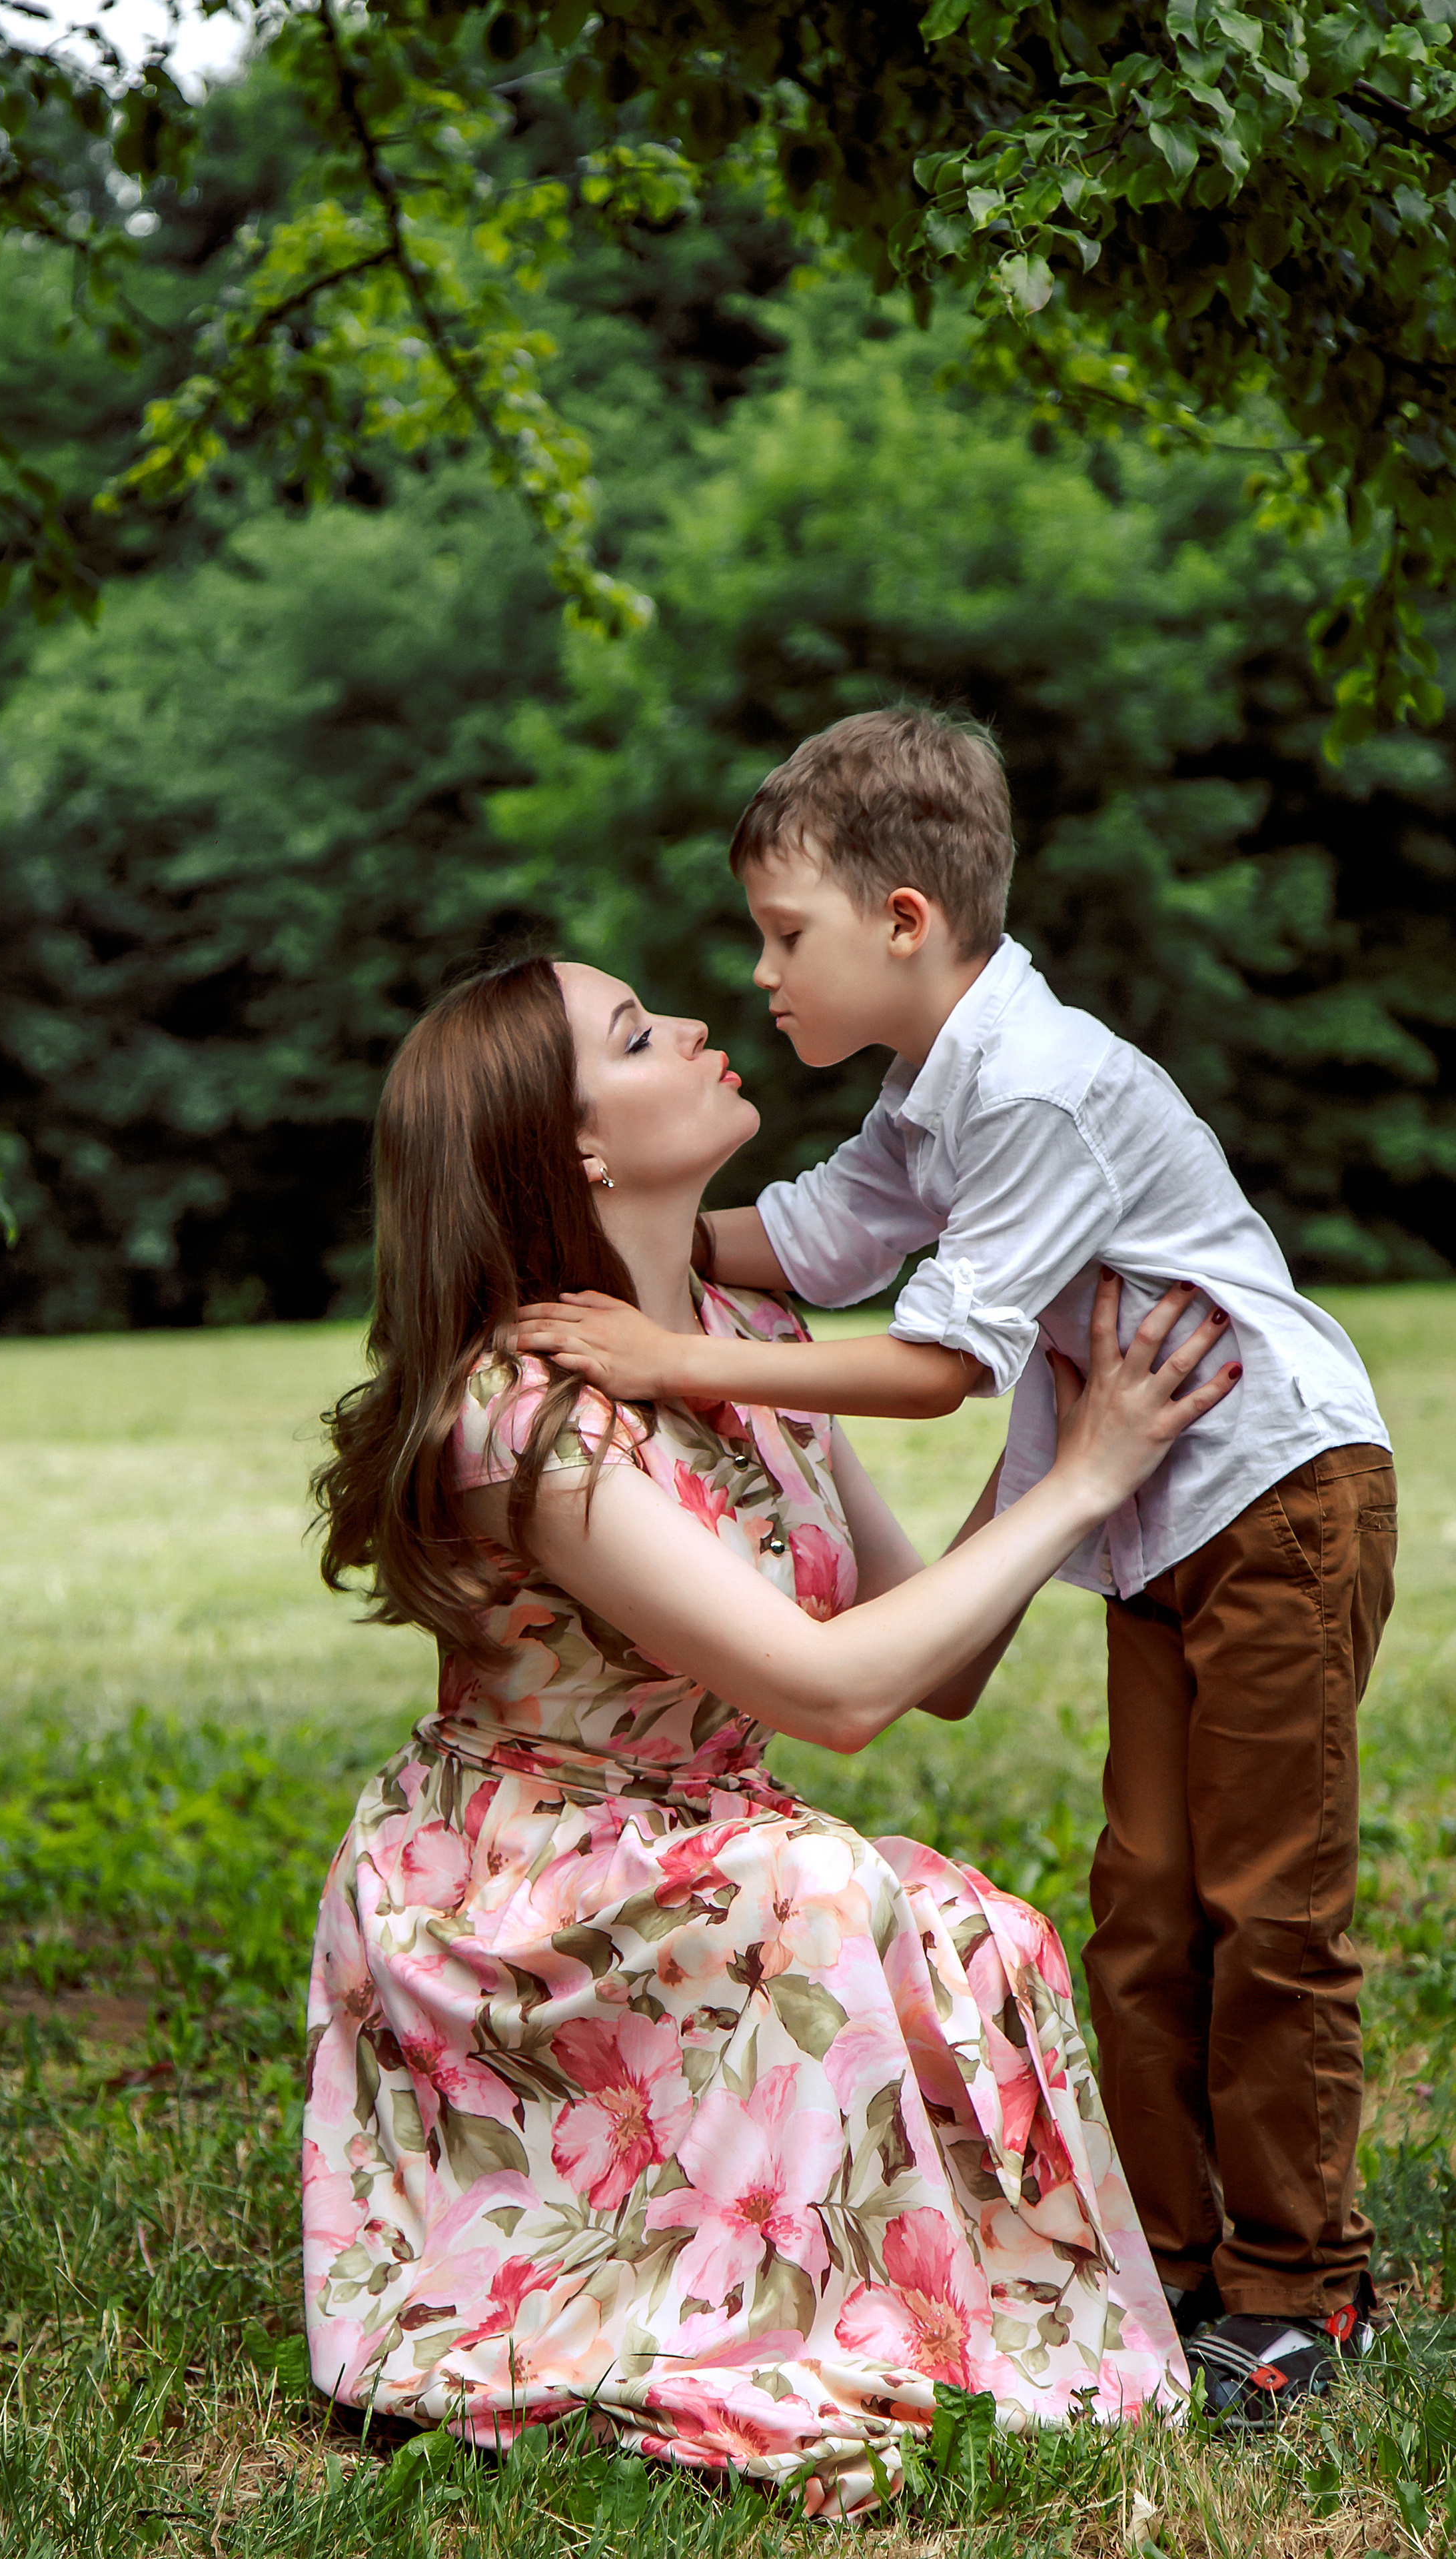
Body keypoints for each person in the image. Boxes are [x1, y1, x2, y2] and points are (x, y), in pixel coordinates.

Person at [514, 707, 1398, 2429]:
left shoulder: (1042, 1085)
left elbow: (939, 1365)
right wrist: (600, 1238)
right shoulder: (936, 1089)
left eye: (785, 936)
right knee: (1145, 1904)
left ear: (903, 920)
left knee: (1267, 1905)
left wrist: (670, 1357)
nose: (760, 975)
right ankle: (1175, 2257)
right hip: (1160, 1519)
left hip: (1277, 1496)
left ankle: (1308, 2286)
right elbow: (813, 1237)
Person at [304, 952, 1236, 2518]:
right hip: (523, 1887)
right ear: (574, 1145)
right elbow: (834, 1695)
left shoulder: (747, 1337)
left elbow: (931, 1661)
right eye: (634, 1035)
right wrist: (1083, 1483)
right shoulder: (526, 1415)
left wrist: (1050, 1439)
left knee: (972, 1930)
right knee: (818, 1893)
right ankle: (714, 2320)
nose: (694, 1026)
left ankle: (935, 2321)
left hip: (698, 1843)